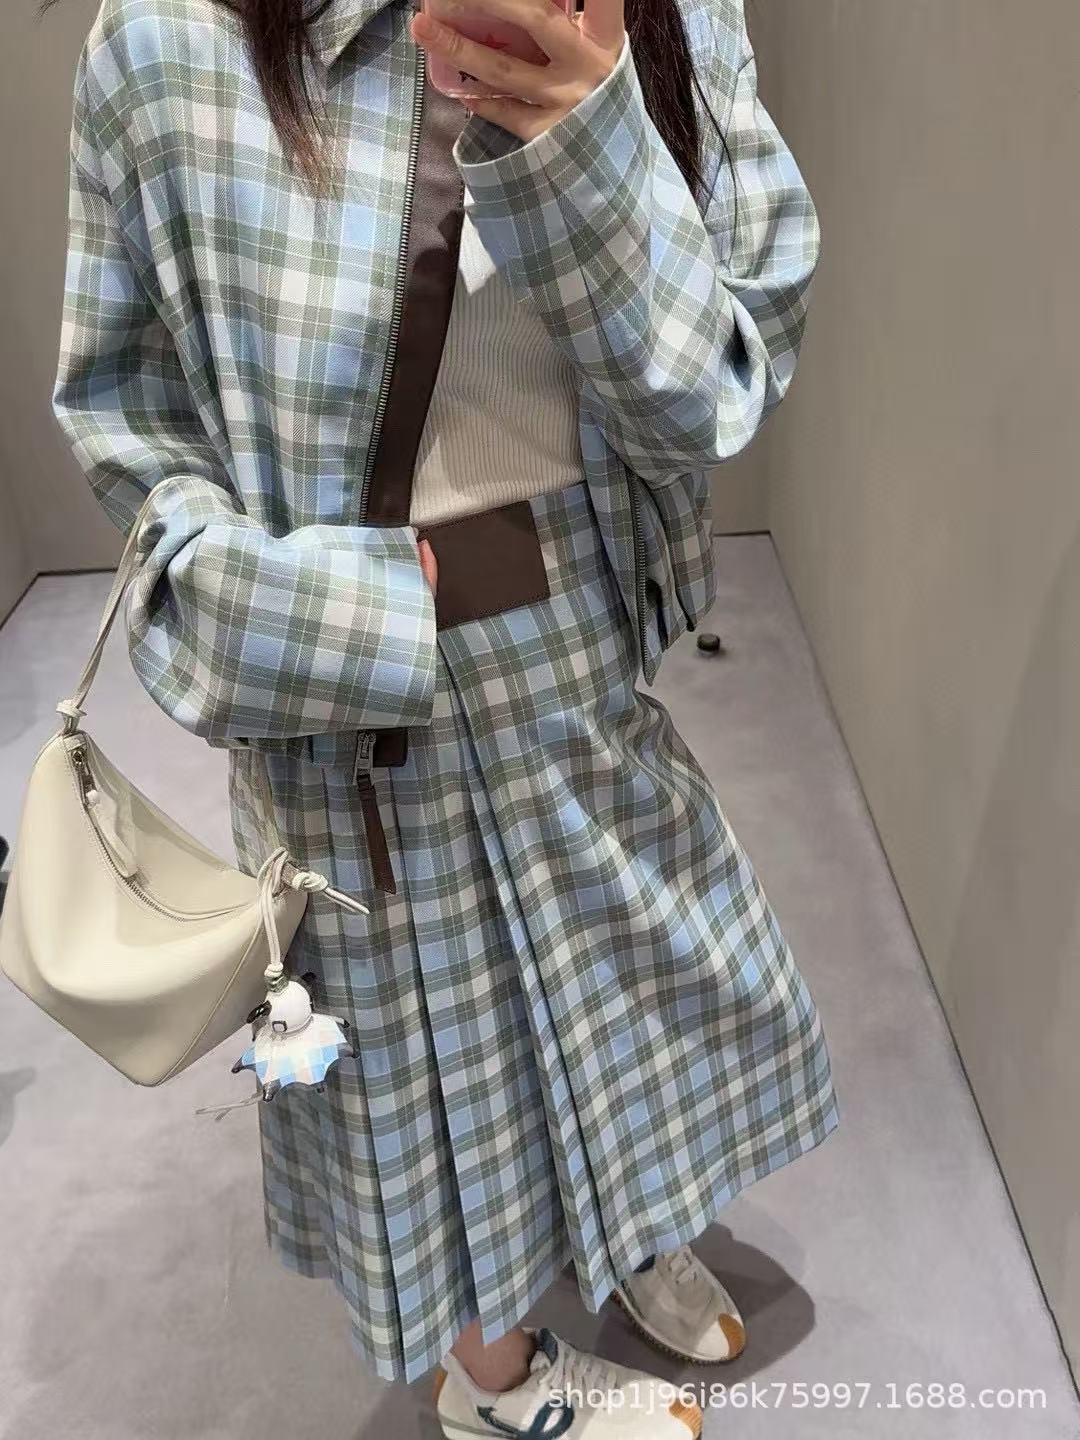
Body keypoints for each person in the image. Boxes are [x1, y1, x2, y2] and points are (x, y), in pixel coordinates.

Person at [47, 0, 839, 1432]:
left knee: (629, 977)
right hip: (346, 683)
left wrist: (589, 141)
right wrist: (301, 624)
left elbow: (716, 392)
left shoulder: (661, 14)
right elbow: (127, 422)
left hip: (574, 617)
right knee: (428, 1062)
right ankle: (495, 1380)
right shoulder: (170, 40)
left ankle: (627, 1217)